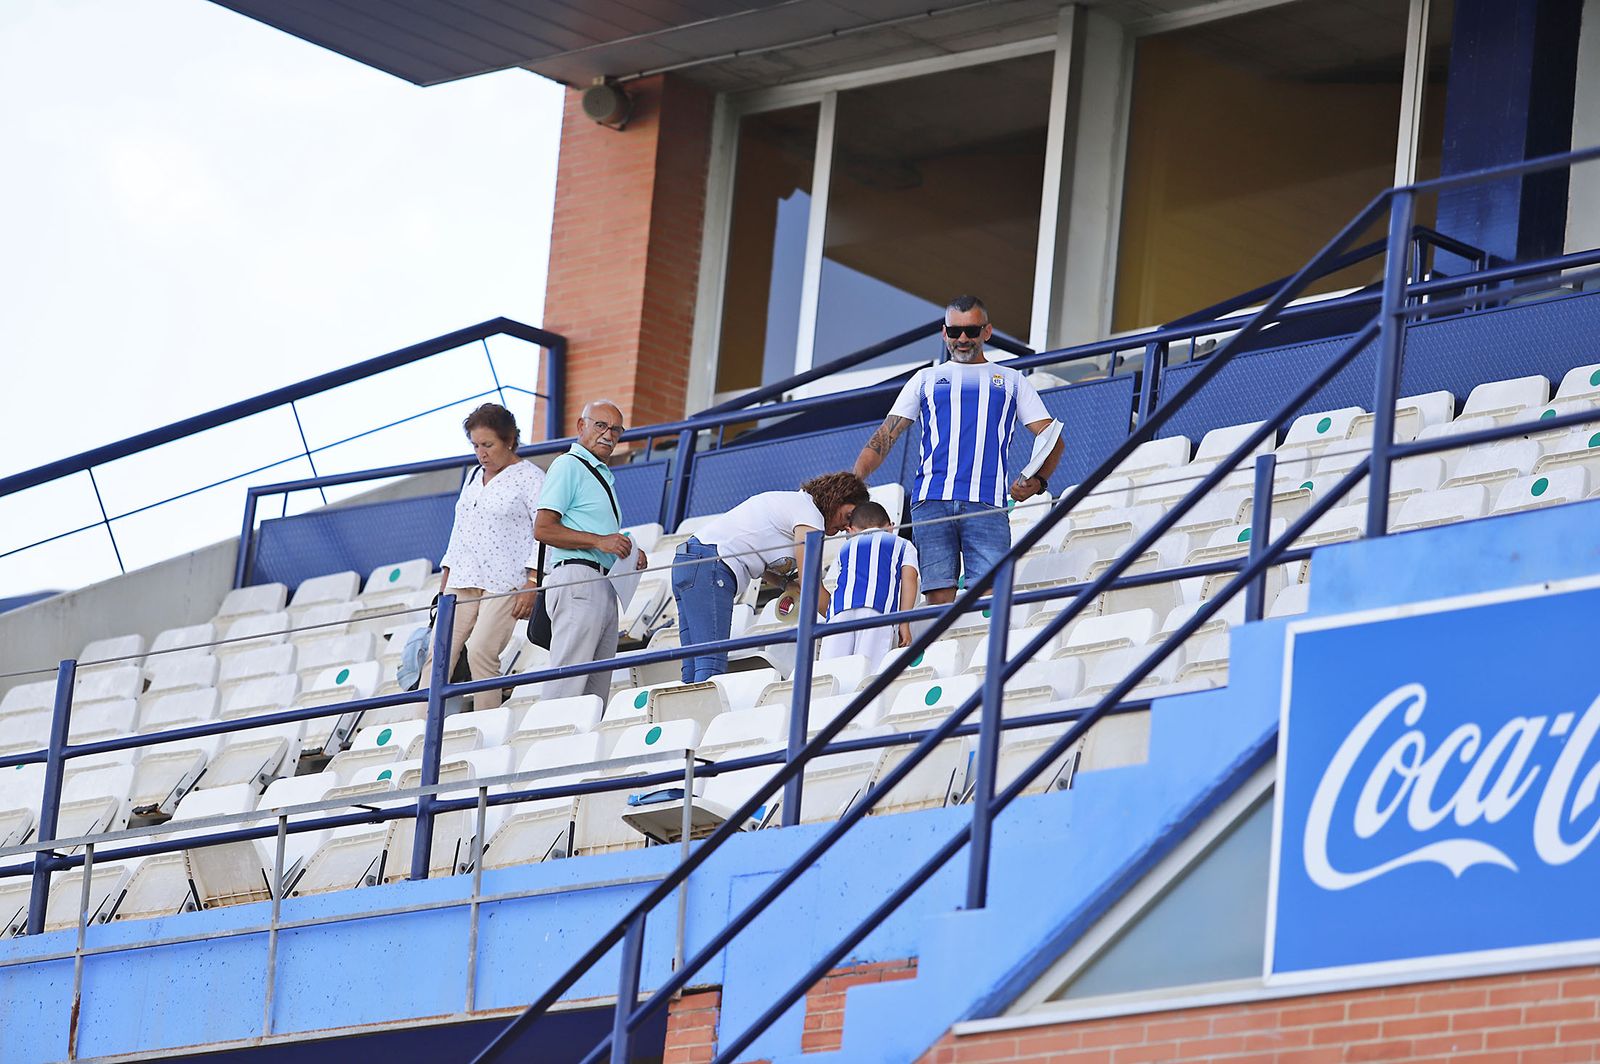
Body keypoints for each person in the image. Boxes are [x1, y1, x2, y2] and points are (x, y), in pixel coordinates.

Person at [853, 295, 1064, 605]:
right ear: (944, 333)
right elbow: (886, 436)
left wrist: (1040, 481)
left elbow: (1053, 437)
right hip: (931, 501)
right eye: (955, 332)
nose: (963, 339)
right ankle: (942, 654)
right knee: (938, 598)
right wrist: (854, 481)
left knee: (989, 598)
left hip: (987, 502)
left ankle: (983, 655)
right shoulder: (924, 379)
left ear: (987, 332)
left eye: (972, 331)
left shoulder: (1011, 380)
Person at [672, 471, 869, 683]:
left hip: (689, 562)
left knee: (692, 668)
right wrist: (847, 621)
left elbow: (757, 556)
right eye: (848, 516)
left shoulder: (793, 504)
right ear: (836, 499)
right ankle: (703, 716)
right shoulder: (810, 514)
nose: (845, 527)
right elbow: (811, 584)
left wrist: (784, 583)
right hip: (711, 566)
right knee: (710, 665)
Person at [532, 399, 647, 701]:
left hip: (601, 585)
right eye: (600, 425)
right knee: (567, 687)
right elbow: (543, 529)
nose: (609, 434)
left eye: (616, 430)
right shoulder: (569, 465)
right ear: (581, 426)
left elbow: (598, 535)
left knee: (594, 696)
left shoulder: (600, 474)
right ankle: (550, 745)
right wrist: (600, 541)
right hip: (578, 581)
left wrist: (627, 551)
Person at [433, 403, 544, 710]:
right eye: (475, 445)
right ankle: (420, 727)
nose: (481, 453)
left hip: (504, 580)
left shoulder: (531, 478)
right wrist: (444, 582)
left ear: (509, 440)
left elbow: (544, 530)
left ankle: (486, 722)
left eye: (488, 444)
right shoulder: (472, 476)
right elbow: (459, 529)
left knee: (481, 650)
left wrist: (533, 581)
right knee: (439, 652)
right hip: (462, 576)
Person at [816, 500, 920, 664]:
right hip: (877, 611)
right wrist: (904, 622)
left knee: (831, 667)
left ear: (850, 531)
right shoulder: (903, 544)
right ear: (891, 527)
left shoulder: (846, 547)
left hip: (838, 612)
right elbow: (909, 581)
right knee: (868, 668)